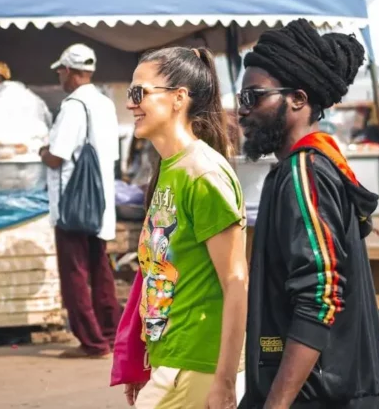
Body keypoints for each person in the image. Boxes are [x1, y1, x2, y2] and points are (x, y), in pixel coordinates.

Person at [237, 19, 379, 409]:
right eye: (241, 100)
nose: (243, 112)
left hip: (317, 396)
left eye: (254, 97)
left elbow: (320, 296)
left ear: (298, 99)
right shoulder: (310, 166)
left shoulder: (305, 172)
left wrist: (276, 403)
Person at [124, 47, 248, 409]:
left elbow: (236, 283)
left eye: (139, 93)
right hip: (171, 362)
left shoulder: (203, 173)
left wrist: (224, 382)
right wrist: (145, 361)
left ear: (179, 98)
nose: (132, 104)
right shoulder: (170, 169)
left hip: (198, 366)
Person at [39, 43, 121, 359]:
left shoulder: (73, 106)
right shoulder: (104, 104)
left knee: (74, 273)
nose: (60, 75)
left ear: (71, 72)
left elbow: (57, 157)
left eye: (61, 70)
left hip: (73, 204)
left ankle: (92, 342)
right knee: (101, 270)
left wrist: (41, 152)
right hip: (100, 202)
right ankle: (111, 335)